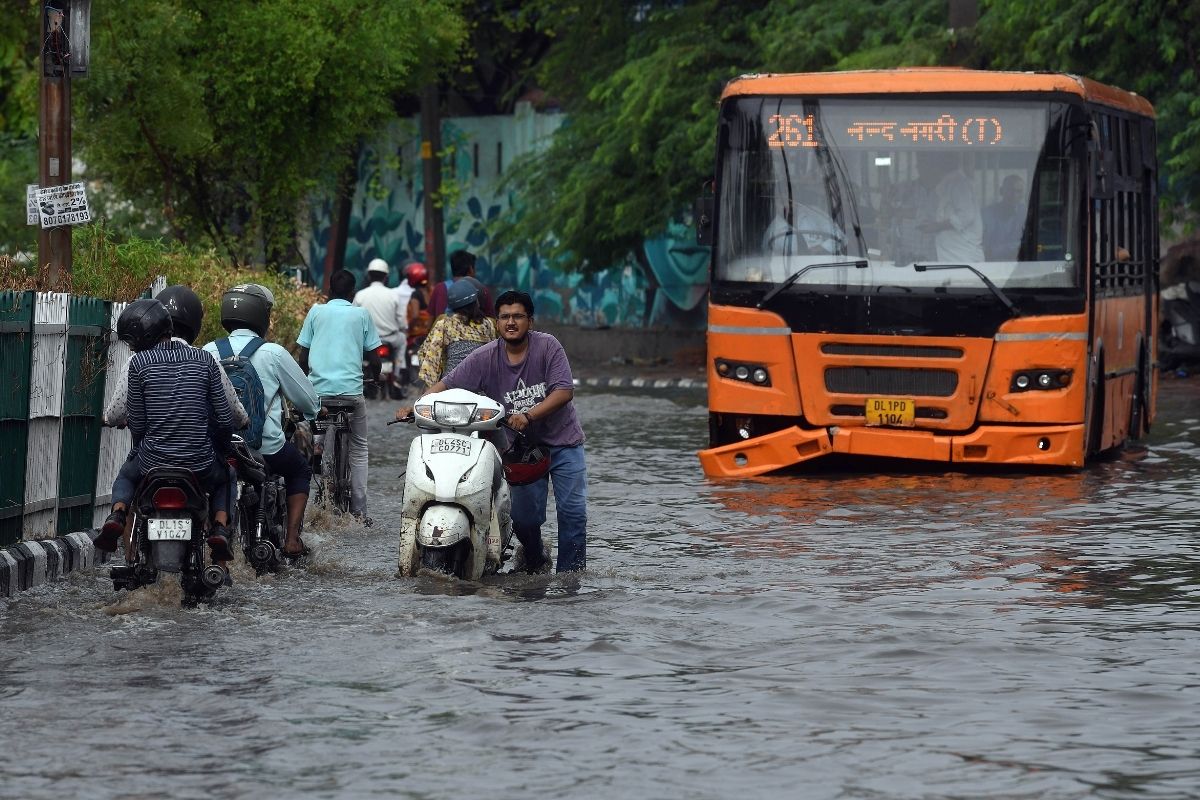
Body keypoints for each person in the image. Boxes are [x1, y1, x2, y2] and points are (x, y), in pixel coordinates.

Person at [398, 290, 587, 573]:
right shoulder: (485, 356)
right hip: (520, 451)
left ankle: (570, 577)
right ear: (496, 322)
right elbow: (447, 384)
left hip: (563, 443)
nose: (511, 322)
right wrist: (416, 406)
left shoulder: (548, 346)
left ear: (530, 321)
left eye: (518, 316)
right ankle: (535, 559)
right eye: (505, 317)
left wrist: (529, 415)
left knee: (572, 514)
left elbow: (564, 391)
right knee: (524, 520)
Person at [95, 299, 237, 563]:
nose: (131, 347)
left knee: (126, 475)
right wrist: (221, 448)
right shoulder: (205, 359)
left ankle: (118, 513)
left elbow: (137, 423)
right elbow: (225, 418)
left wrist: (141, 449)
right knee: (227, 476)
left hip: (153, 462)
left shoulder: (138, 364)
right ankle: (219, 528)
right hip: (200, 463)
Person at [203, 283, 322, 557]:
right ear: (261, 316)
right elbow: (307, 400)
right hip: (265, 447)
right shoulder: (273, 353)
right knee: (300, 471)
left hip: (218, 446)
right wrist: (316, 410)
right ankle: (292, 540)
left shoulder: (208, 351)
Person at [297, 269, 383, 522]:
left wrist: (306, 382)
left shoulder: (315, 312)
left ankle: (318, 446)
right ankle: (359, 512)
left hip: (319, 394)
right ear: (353, 293)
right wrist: (375, 379)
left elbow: (303, 356)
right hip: (351, 394)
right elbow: (374, 359)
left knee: (314, 423)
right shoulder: (361, 314)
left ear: (329, 290)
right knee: (359, 448)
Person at [416, 279, 498, 386]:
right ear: (476, 302)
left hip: (452, 386)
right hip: (482, 387)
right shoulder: (489, 324)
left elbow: (429, 358)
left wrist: (432, 387)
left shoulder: (445, 323)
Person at [915, 152, 984, 263]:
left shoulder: (959, 183)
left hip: (963, 257)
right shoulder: (945, 185)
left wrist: (937, 226)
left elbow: (966, 215)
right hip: (951, 256)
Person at [354, 258, 407, 397]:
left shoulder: (360, 295)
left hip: (367, 341)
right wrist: (403, 327)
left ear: (369, 275)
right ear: (386, 277)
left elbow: (353, 320)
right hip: (391, 338)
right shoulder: (393, 295)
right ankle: (396, 375)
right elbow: (401, 320)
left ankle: (359, 376)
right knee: (403, 339)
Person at [429, 249, 495, 319]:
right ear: (470, 269)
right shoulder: (482, 290)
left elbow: (431, 319)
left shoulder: (439, 288)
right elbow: (491, 319)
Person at [982, 174, 1026, 261]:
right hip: (990, 263)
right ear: (1001, 191)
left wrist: (996, 251)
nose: (1014, 195)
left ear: (1022, 194)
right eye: (1010, 190)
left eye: (1019, 191)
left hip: (1018, 263)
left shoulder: (1026, 213)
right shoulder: (986, 214)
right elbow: (982, 244)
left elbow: (1028, 242)